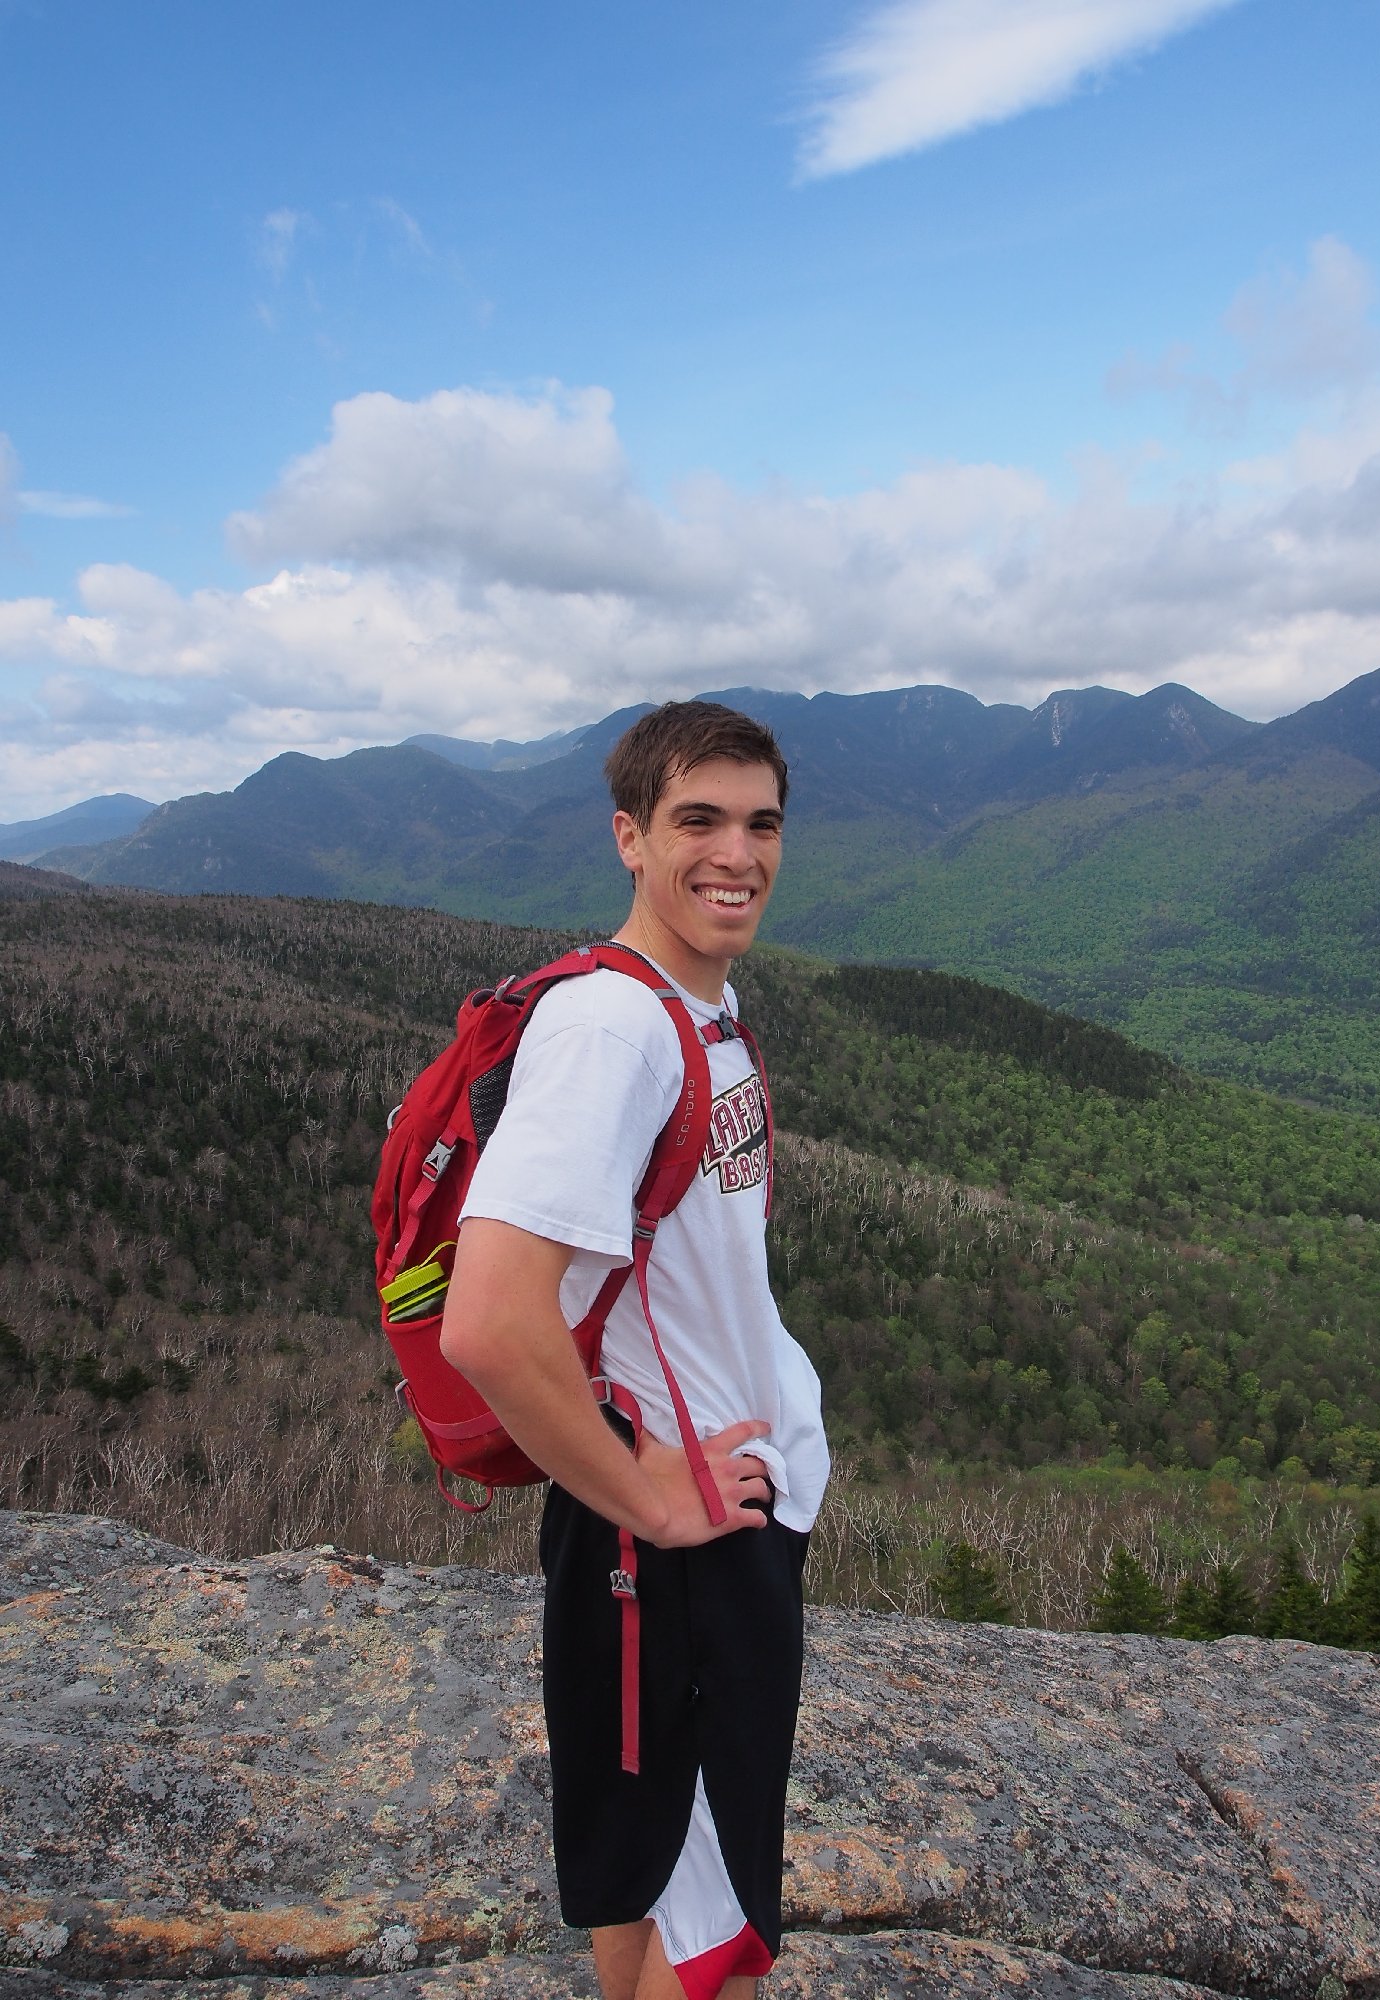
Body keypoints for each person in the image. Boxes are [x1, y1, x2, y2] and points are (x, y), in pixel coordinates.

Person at [441, 699, 830, 2000]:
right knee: (712, 1937)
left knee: (653, 1873)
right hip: (678, 1538)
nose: (738, 855)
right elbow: (490, 1319)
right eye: (697, 821)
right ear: (629, 837)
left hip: (674, 1516)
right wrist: (653, 1502)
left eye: (762, 824)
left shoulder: (695, 1008)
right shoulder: (613, 1031)